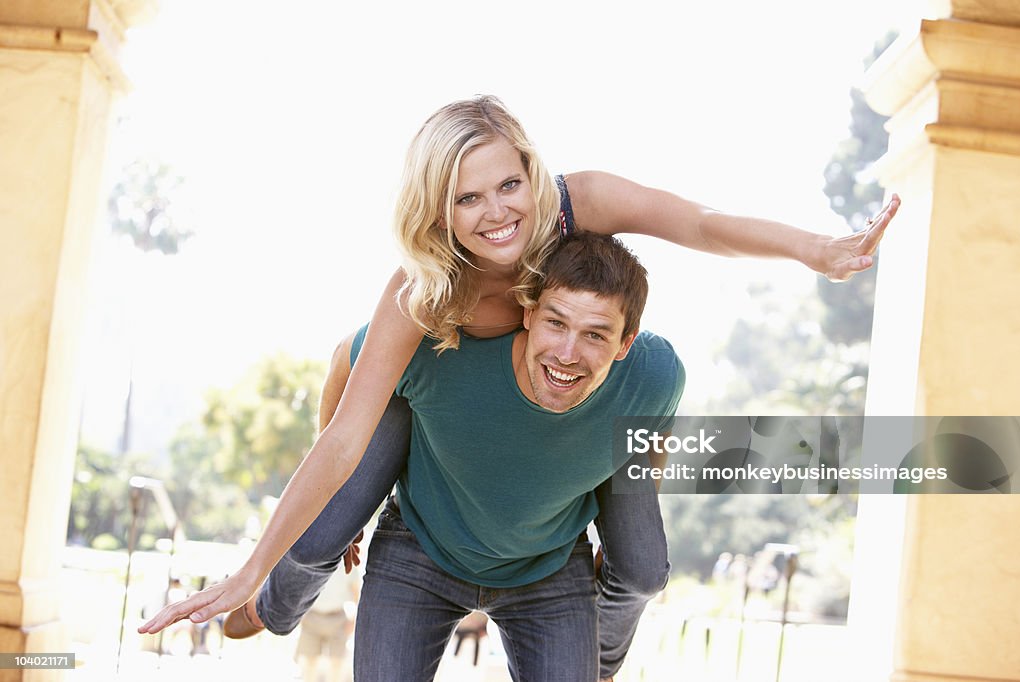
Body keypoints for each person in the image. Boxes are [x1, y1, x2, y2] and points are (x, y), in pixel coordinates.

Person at [138, 96, 900, 678]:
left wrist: (814, 249)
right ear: (439, 207)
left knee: (640, 561)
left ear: (532, 171)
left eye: (509, 184)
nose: (498, 212)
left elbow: (698, 223)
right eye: (468, 198)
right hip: (425, 412)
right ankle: (275, 605)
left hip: (550, 431)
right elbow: (343, 409)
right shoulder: (426, 290)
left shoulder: (579, 205)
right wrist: (251, 567)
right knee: (321, 527)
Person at [348, 231, 684, 680]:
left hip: (551, 564)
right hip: (422, 544)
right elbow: (343, 360)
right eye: (557, 323)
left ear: (625, 343)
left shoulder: (657, 373)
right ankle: (270, 606)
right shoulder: (438, 344)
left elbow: (655, 431)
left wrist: (633, 518)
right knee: (314, 541)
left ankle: (598, 666)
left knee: (645, 571)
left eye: (595, 335)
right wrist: (337, 499)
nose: (567, 353)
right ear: (529, 312)